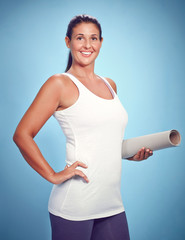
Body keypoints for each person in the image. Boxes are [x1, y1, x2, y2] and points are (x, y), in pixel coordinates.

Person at [13, 14, 153, 240]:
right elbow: (22, 135)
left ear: (101, 42)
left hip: (111, 202)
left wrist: (129, 155)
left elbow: (102, 140)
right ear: (68, 42)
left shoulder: (111, 85)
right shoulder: (59, 83)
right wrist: (52, 175)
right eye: (80, 38)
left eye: (94, 38)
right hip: (75, 204)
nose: (87, 45)